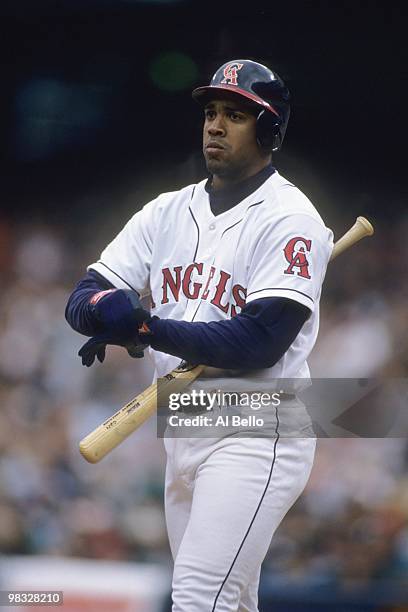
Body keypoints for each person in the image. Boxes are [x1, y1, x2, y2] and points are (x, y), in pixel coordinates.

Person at [66, 59, 333, 612]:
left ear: (268, 130)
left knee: (195, 597)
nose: (215, 124)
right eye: (211, 112)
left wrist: (143, 326)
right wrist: (107, 312)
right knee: (230, 603)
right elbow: (83, 297)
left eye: (235, 115)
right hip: (181, 418)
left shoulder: (291, 218)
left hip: (259, 421)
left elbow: (260, 342)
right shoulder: (166, 211)